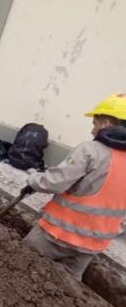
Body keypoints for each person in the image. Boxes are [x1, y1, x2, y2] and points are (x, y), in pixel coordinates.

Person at [21, 94, 126, 280]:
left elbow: (53, 182)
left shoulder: (91, 151)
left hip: (56, 236)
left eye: (95, 123)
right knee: (65, 290)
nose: (93, 131)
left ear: (107, 123)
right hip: (90, 247)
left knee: (18, 264)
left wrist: (33, 179)